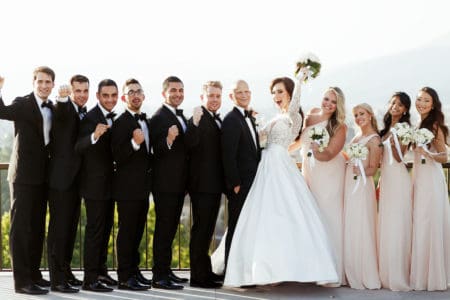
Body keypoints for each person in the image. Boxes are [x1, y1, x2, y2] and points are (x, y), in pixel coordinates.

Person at [223, 73, 338, 287]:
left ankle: (284, 268)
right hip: (265, 164)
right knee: (263, 217)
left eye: (281, 92)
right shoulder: (276, 117)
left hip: (279, 163)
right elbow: (257, 139)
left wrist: (301, 80)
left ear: (289, 94)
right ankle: (265, 269)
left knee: (284, 213)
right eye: (274, 92)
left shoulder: (293, 116)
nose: (276, 96)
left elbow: (294, 104)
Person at [0, 67, 55, 295]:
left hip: (43, 178)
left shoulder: (53, 108)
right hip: (22, 177)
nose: (43, 85)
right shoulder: (22, 103)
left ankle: (34, 275)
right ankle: (22, 282)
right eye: (40, 81)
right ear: (34, 82)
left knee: (36, 228)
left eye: (47, 82)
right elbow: (2, 111)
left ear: (53, 84)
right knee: (21, 230)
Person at [298, 86, 347, 286]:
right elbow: (298, 141)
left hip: (329, 174)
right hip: (308, 173)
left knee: (328, 217)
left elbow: (329, 154)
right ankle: (311, 268)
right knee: (309, 217)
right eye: (326, 99)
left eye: (333, 102)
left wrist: (316, 151)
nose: (328, 104)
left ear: (338, 106)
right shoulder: (310, 117)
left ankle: (331, 271)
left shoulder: (339, 127)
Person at [47, 75, 89, 293]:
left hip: (76, 182)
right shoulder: (64, 108)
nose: (82, 94)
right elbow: (61, 115)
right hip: (61, 181)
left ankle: (66, 271)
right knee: (59, 231)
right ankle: (57, 279)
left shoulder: (83, 111)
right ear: (71, 92)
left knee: (71, 229)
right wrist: (62, 100)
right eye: (78, 91)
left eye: (85, 91)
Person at [75, 79, 118, 292]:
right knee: (94, 232)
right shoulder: (90, 117)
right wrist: (94, 135)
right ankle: (89, 279)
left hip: (110, 185)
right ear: (98, 97)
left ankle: (101, 271)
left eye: (113, 95)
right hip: (94, 186)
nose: (110, 99)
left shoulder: (115, 117)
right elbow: (79, 146)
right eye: (106, 95)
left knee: (106, 230)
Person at [111, 78, 152, 291]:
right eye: (131, 92)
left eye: (138, 91)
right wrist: (134, 143)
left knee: (137, 233)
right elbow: (117, 155)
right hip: (126, 189)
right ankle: (124, 276)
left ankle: (134, 271)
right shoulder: (120, 122)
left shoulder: (146, 120)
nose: (135, 95)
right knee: (126, 233)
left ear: (143, 96)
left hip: (143, 188)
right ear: (125, 97)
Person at [148, 76, 189, 290]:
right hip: (165, 184)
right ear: (164, 93)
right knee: (164, 229)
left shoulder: (178, 115)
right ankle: (159, 275)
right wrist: (169, 139)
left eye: (181, 90)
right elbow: (155, 151)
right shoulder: (158, 118)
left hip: (178, 184)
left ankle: (166, 270)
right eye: (173, 90)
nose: (178, 94)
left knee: (171, 228)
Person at [185, 81, 225, 289]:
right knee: (201, 231)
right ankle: (198, 277)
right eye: (211, 95)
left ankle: (205, 272)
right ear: (203, 97)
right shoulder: (199, 118)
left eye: (218, 96)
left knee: (207, 230)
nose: (215, 99)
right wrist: (194, 122)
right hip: (202, 186)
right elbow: (189, 143)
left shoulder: (216, 119)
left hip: (213, 185)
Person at [410, 87, 450, 291]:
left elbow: (445, 156)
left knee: (430, 222)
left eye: (426, 100)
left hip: (431, 178)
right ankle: (422, 275)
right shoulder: (417, 125)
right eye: (419, 100)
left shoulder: (435, 126)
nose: (421, 103)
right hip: (419, 177)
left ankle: (434, 276)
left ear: (433, 104)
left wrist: (428, 154)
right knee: (420, 223)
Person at [221, 79, 261, 268]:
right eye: (239, 92)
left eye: (247, 91)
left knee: (246, 228)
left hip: (252, 183)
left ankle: (243, 270)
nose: (244, 95)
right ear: (231, 96)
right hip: (240, 186)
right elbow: (227, 155)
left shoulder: (248, 117)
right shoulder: (231, 120)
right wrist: (235, 184)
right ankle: (232, 270)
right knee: (236, 228)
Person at [343, 103, 382, 290]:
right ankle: (351, 269)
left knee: (362, 225)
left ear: (371, 114)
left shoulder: (374, 140)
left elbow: (373, 168)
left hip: (363, 186)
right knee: (351, 224)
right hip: (350, 183)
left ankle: (364, 272)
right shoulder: (358, 136)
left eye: (362, 114)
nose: (359, 118)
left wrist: (360, 171)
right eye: (356, 115)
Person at [377, 92, 412, 291]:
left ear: (405, 109)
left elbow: (400, 157)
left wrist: (393, 143)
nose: (395, 106)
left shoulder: (404, 128)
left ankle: (398, 273)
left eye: (400, 104)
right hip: (388, 179)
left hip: (399, 179)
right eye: (393, 102)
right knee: (387, 223)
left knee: (398, 223)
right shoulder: (386, 128)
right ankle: (386, 272)